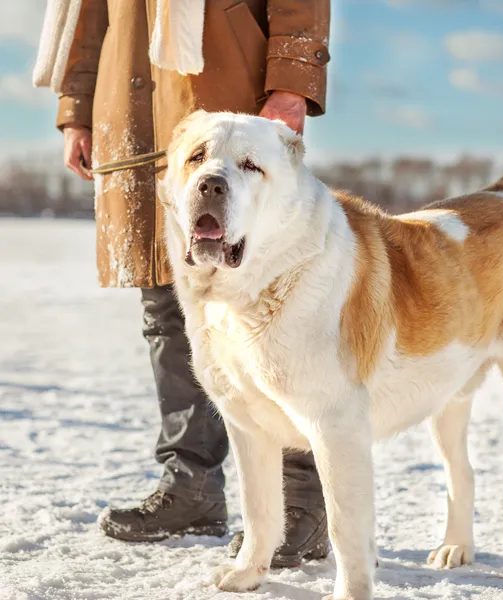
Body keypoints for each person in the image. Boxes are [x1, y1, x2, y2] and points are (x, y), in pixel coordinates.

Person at [36, 0, 330, 567]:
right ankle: (190, 486)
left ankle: (304, 504)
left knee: (275, 306)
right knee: (167, 298)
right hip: (131, 99)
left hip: (225, 88)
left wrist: (292, 80)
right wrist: (78, 108)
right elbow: (87, 12)